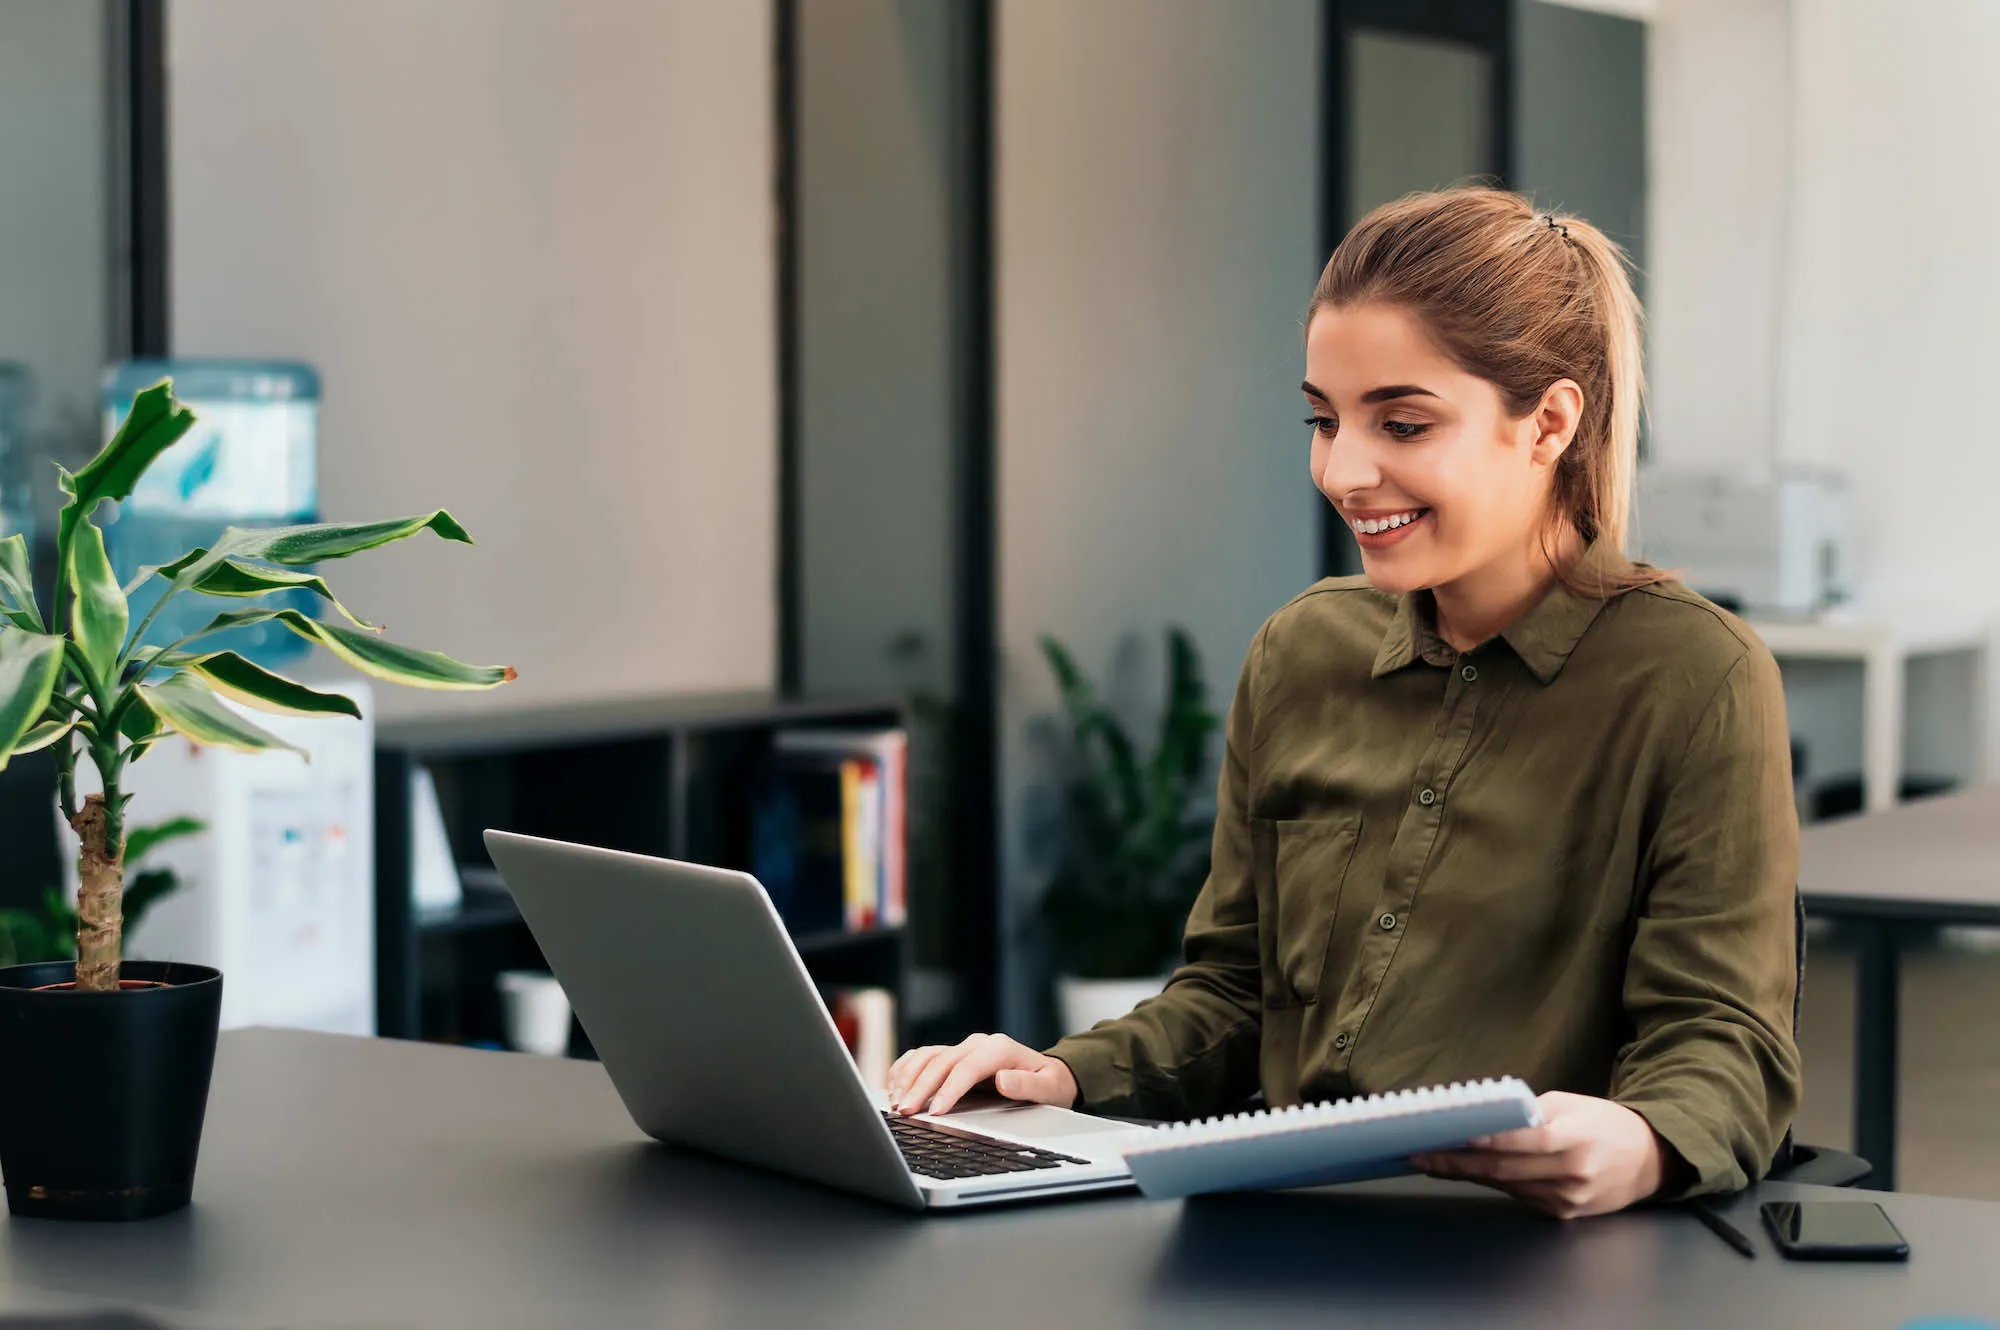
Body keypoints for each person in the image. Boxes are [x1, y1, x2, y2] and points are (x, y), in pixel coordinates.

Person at [887, 187, 1800, 1219]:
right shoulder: (1300, 651)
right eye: (1322, 420)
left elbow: (1723, 1040)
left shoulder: (1696, 678)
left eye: (1401, 422)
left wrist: (1640, 1140)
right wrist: (1062, 1074)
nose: (1342, 470)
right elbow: (1234, 993)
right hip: (1275, 1239)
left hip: (1526, 1256)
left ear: (1546, 421)